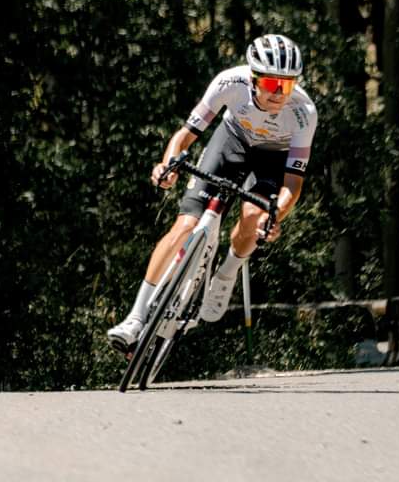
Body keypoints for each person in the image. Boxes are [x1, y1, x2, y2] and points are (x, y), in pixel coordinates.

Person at [107, 34, 318, 352]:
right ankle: (135, 318)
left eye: (286, 86)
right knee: (185, 225)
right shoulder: (229, 83)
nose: (279, 94)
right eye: (272, 84)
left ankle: (228, 272)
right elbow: (185, 135)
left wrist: (275, 215)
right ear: (253, 77)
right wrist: (168, 166)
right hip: (231, 141)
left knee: (252, 215)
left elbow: (293, 183)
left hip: (273, 157)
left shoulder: (304, 112)